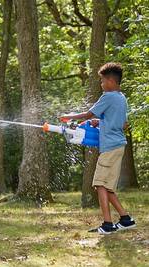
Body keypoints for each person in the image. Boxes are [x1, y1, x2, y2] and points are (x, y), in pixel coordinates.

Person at [60, 62, 136, 235]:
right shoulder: (121, 98)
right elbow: (123, 124)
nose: (101, 85)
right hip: (118, 146)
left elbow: (88, 114)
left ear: (110, 80)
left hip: (109, 148)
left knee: (100, 185)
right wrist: (101, 122)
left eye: (102, 81)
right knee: (107, 187)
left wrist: (67, 117)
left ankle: (107, 224)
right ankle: (126, 219)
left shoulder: (108, 96)